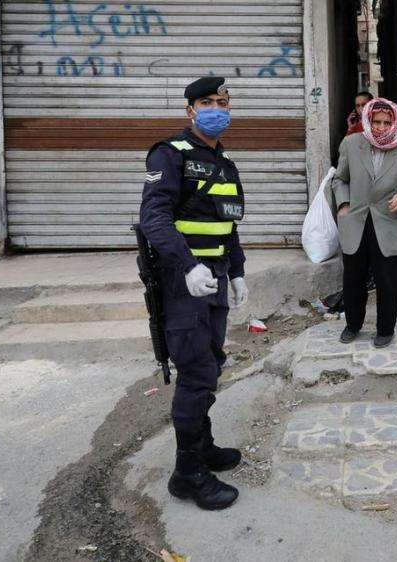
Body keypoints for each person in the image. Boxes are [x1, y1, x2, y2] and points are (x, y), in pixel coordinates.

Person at [139, 76, 251, 511]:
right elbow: (154, 218)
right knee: (195, 370)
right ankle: (186, 473)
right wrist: (188, 265)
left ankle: (202, 446)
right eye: (207, 102)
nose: (216, 109)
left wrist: (236, 273)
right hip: (182, 282)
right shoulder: (170, 154)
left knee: (211, 362)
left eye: (222, 102)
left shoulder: (225, 161)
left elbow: (228, 225)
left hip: (214, 279)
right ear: (190, 111)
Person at [333, 97, 397, 348]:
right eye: (377, 122)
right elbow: (339, 179)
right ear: (368, 120)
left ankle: (385, 329)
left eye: (386, 122)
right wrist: (343, 203)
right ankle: (353, 325)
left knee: (388, 280)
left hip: (388, 222)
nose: (381, 128)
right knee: (353, 279)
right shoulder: (351, 144)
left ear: (394, 122)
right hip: (355, 221)